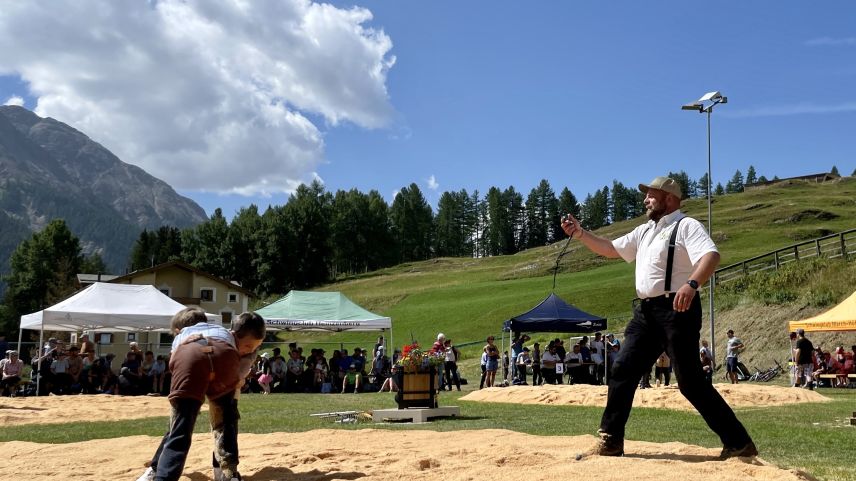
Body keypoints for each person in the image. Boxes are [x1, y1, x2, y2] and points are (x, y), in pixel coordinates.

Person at [561, 175, 756, 459]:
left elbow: (710, 256)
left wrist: (692, 285)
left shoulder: (686, 225)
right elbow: (610, 249)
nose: (645, 200)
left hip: (677, 309)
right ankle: (611, 440)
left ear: (669, 198)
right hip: (646, 313)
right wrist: (580, 233)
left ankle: (738, 442)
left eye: (651, 195)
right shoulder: (644, 231)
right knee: (622, 369)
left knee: (689, 382)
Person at [136, 308, 265, 481]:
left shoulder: (190, 336)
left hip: (189, 358)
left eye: (254, 348)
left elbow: (175, 360)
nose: (248, 351)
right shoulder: (228, 340)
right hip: (220, 358)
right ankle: (227, 474)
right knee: (224, 422)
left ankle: (160, 475)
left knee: (180, 425)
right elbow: (236, 380)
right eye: (248, 346)